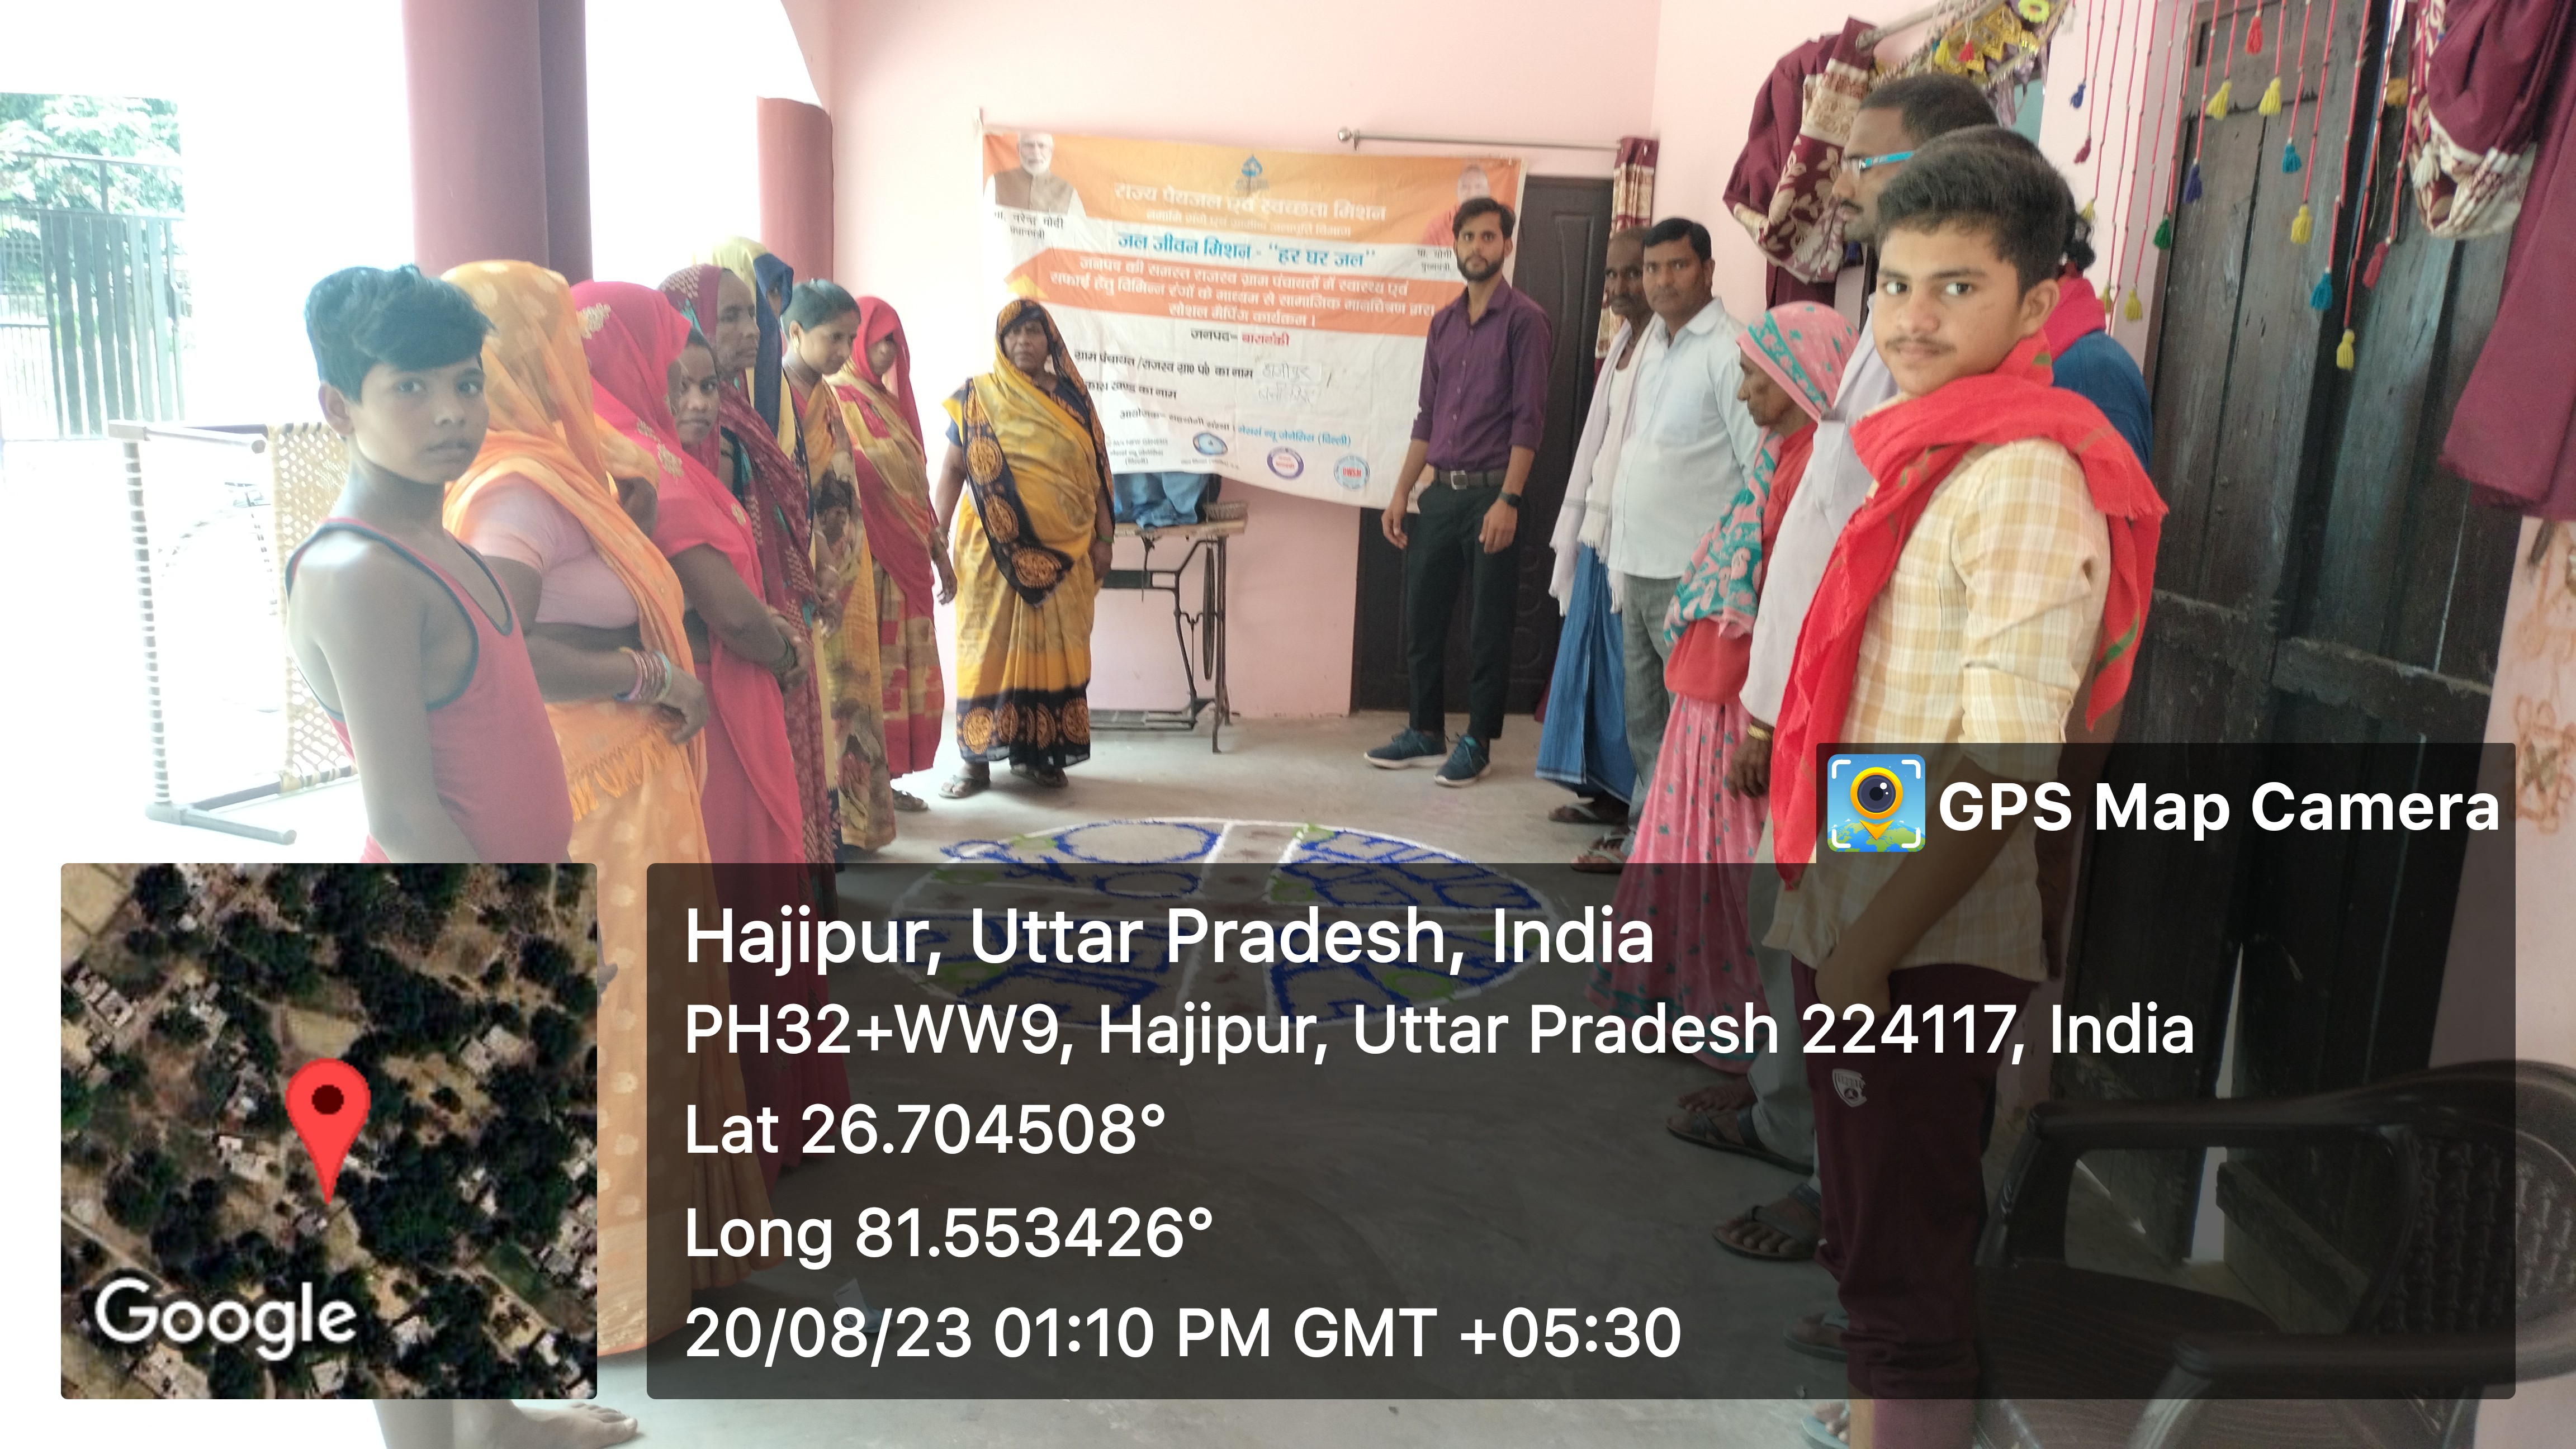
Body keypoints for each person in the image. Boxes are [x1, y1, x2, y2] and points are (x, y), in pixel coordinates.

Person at [1719, 79, 2149, 1298]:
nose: (1912, 315)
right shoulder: (1929, 417)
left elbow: (2013, 741)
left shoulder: (2032, 451)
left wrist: (1872, 942)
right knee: (1874, 1210)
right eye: (1897, 283)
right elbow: (1902, 690)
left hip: (1937, 903)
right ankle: (1875, 1302)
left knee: (1907, 1217)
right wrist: (1845, 895)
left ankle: (1905, 1341)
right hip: (1876, 850)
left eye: (1955, 287)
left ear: (2031, 299)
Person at [439, 261, 773, 1358]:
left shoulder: (555, 472)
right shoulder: (512, 488)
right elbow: (501, 645)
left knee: (663, 1019)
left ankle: (680, 1259)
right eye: (557, 342)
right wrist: (647, 677)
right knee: (622, 1031)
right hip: (594, 793)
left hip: (631, 787)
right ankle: (618, 1289)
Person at [1592, 300, 1857, 1100]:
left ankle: (1752, 1039)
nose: (1744, 393)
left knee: (1746, 873)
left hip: (1756, 709)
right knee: (1698, 854)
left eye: (1755, 377)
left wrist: (1764, 728)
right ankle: (1696, 1008)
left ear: (1802, 378)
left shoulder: (1823, 474)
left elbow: (1796, 607)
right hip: (1722, 695)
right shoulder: (1784, 459)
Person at [285, 264, 572, 865]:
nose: (451, 412)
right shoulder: (357, 573)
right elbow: (403, 821)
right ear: (339, 408)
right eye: (411, 387)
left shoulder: (444, 546)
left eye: (467, 384)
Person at [571, 280, 811, 863]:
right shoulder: (644, 466)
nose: (685, 393)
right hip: (706, 696)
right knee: (732, 857)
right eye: (668, 367)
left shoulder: (589, 448)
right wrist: (784, 655)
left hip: (658, 693)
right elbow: (729, 613)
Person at [1367, 194, 1553, 785]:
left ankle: (1477, 742)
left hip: (1492, 495)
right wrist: (1402, 492)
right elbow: (1427, 415)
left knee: (1487, 628)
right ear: (1455, 245)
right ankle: (1424, 731)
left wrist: (1509, 501)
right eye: (1468, 237)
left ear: (1507, 245)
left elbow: (1529, 420)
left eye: (1488, 237)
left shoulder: (1525, 321)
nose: (1477, 247)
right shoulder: (1443, 323)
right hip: (1440, 495)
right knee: (1423, 619)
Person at [661, 263, 836, 861]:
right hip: (731, 636)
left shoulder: (740, 411)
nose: (755, 329)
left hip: (771, 613)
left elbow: (785, 506)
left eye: (755, 313)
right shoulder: (675, 442)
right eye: (731, 315)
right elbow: (701, 559)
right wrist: (773, 640)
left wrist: (809, 577)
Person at [1603, 216, 1766, 832]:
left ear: (1708, 271)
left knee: (1691, 727)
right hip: (1638, 564)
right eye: (1653, 268)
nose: (1662, 280)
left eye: (1678, 265)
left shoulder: (1730, 349)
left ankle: (1691, 845)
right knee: (1645, 720)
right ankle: (1649, 838)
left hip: (1695, 580)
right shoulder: (1653, 346)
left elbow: (1759, 469)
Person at [931, 299, 1115, 794]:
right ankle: (975, 762)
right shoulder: (976, 397)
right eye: (1013, 334)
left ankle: (1040, 755)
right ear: (1001, 341)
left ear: (1049, 340)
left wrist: (1104, 538)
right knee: (986, 652)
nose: (1024, 342)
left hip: (1068, 554)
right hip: (991, 552)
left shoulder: (1074, 401)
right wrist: (937, 535)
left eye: (1034, 332)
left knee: (1055, 652)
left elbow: (1098, 475)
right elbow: (952, 469)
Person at [1538, 228, 1650, 853]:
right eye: (1612, 274)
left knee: (1631, 677)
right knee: (1591, 661)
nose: (1619, 286)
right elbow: (1597, 442)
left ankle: (1636, 803)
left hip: (1636, 536)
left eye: (1632, 272)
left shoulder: (1666, 349)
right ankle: (1603, 793)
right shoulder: (1623, 347)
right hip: (1599, 528)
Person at [780, 279, 903, 848]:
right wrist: (816, 563)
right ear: (795, 331)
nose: (844, 351)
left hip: (849, 567)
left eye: (851, 339)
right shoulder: (777, 395)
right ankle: (821, 828)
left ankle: (854, 825)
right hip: (806, 567)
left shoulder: (827, 395)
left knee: (852, 695)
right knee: (821, 700)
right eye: (834, 337)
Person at [830, 296, 953, 787]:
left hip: (908, 556)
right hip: (869, 558)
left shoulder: (890, 405)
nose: (888, 352)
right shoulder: (835, 399)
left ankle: (893, 778)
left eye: (895, 343)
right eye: (880, 341)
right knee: (874, 669)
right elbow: (839, 472)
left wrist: (940, 554)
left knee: (907, 670)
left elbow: (917, 485)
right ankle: (866, 780)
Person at [986, 131, 1084, 215]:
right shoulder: (996, 182)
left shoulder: (1068, 190)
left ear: (1051, 150)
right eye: (1029, 145)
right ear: (1018, 148)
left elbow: (1077, 229)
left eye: (1042, 146)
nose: (1036, 152)